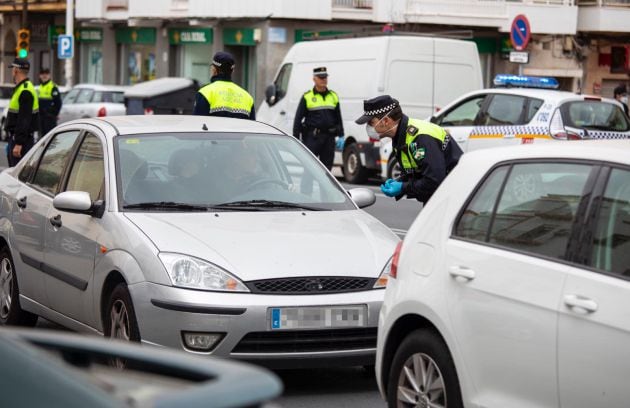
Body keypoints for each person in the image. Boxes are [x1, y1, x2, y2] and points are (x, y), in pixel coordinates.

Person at [355, 95, 462, 204]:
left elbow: (433, 181)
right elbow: (417, 171)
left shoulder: (421, 137)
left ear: (386, 121)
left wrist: (402, 187)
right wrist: (400, 181)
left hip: (457, 198)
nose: (368, 128)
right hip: (440, 198)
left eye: (371, 123)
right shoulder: (400, 137)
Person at [292, 67, 344, 170]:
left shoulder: (333, 96)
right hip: (312, 137)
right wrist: (296, 139)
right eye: (321, 77)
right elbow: (298, 119)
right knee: (309, 169)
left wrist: (341, 135)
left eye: (325, 77)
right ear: (314, 79)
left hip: (329, 138)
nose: (324, 80)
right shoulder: (307, 97)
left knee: (327, 171)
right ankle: (306, 187)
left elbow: (338, 118)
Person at [193, 51, 255, 120]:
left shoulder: (205, 93)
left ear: (214, 69)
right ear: (232, 71)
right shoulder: (247, 97)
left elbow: (197, 124)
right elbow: (252, 127)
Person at [4, 58, 39, 167]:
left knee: (17, 176)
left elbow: (24, 119)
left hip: (21, 142)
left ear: (16, 70)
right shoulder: (23, 88)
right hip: (17, 139)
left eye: (13, 69)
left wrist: (18, 143)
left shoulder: (25, 91)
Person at [37, 68, 62, 136]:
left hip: (49, 119)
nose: (44, 75)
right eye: (42, 74)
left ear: (49, 75)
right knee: (42, 138)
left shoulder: (53, 87)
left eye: (46, 74)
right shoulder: (40, 87)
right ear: (40, 76)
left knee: (50, 138)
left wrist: (52, 114)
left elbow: (58, 103)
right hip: (41, 118)